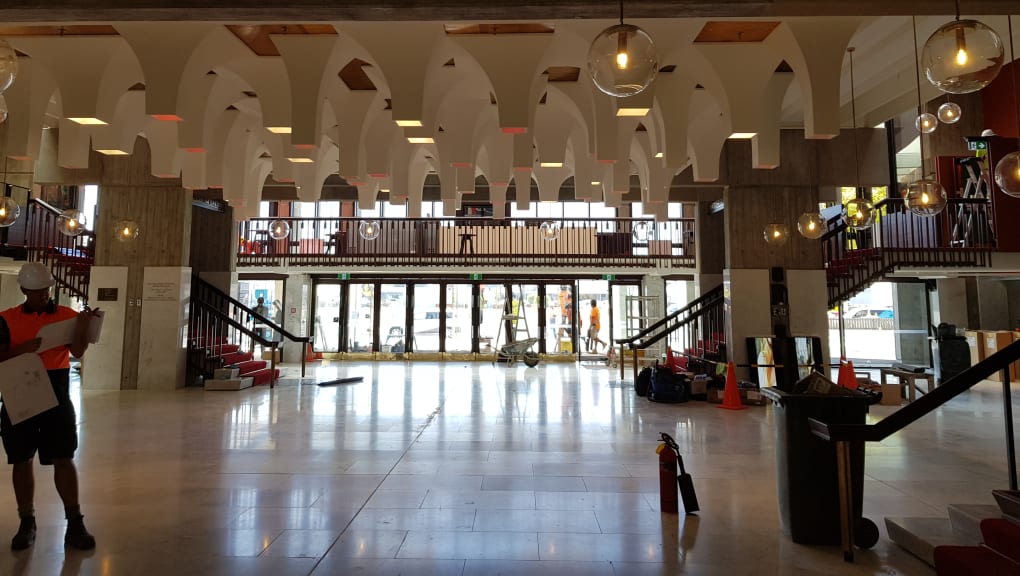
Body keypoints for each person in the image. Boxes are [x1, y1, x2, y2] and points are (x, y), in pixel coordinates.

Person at [0, 262, 100, 551]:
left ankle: (75, 522)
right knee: (21, 458)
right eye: (35, 293)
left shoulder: (67, 316)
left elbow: (78, 351)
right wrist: (23, 349)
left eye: (45, 292)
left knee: (63, 456)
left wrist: (82, 326)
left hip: (56, 389)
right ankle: (26, 521)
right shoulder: (6, 319)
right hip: (20, 390)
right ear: (23, 290)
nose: (42, 297)